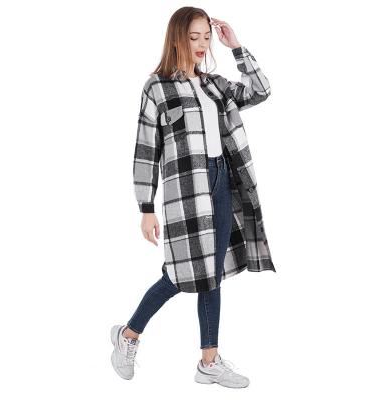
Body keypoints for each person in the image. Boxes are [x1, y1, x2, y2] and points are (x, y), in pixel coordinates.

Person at [111, 6, 274, 389]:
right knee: (179, 274)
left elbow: (261, 91)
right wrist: (145, 207)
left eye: (206, 36)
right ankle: (128, 335)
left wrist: (237, 48)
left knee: (211, 274)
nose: (202, 44)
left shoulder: (215, 85)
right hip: (186, 192)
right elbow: (146, 148)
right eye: (193, 37)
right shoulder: (157, 87)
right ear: (177, 39)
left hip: (222, 183)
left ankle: (209, 362)